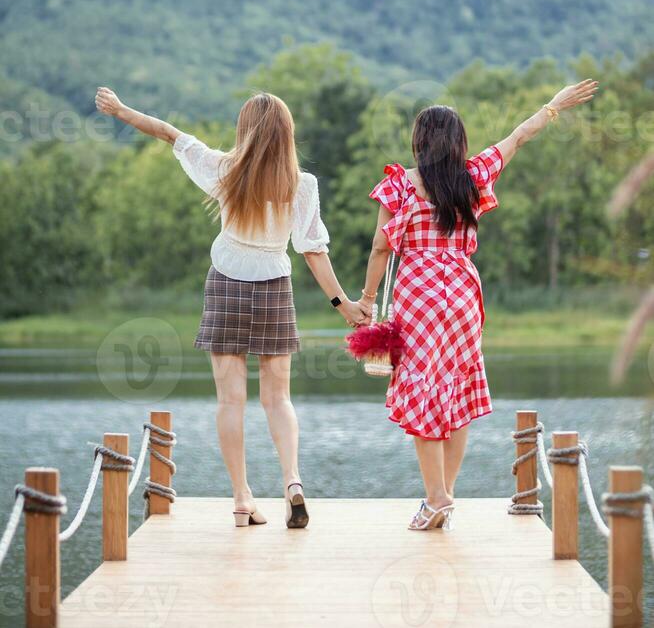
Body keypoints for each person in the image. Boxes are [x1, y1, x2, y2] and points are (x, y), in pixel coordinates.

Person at [95, 87, 369, 529]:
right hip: (275, 287)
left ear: (245, 130)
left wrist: (122, 110)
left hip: (225, 284)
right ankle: (293, 482)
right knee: (278, 398)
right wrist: (344, 305)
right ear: (287, 134)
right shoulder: (303, 185)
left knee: (230, 400)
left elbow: (168, 133)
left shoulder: (224, 169)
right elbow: (313, 251)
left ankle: (242, 498)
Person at [358, 79, 598, 531]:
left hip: (420, 294)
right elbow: (518, 136)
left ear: (419, 141)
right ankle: (444, 495)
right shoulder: (473, 176)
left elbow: (379, 248)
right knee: (456, 391)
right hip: (464, 294)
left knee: (420, 391)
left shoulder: (398, 187)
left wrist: (367, 301)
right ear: (458, 142)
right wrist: (552, 106)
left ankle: (437, 499)